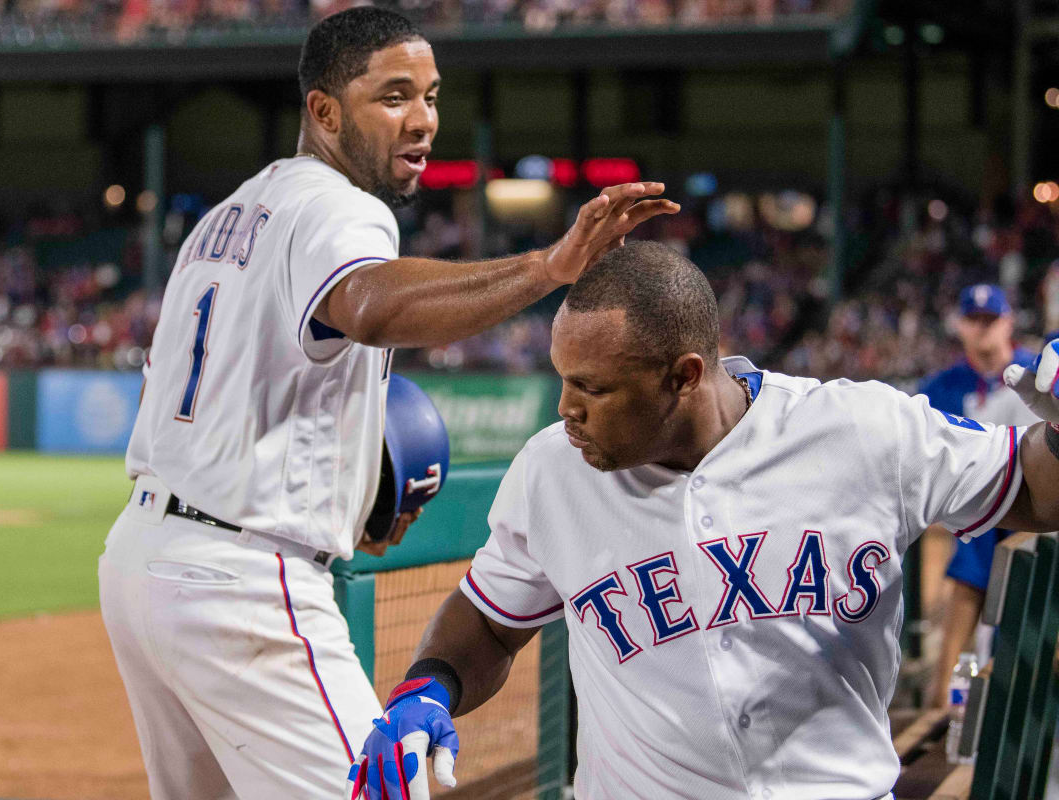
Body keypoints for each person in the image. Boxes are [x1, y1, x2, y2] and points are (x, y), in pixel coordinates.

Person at [96, 7, 679, 800]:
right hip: (243, 585)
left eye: (432, 96)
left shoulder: (227, 217)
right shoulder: (340, 206)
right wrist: (549, 266)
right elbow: (366, 304)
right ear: (325, 112)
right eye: (395, 96)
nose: (424, 120)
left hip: (143, 562)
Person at [348, 242, 1059, 800]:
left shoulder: (858, 428)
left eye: (592, 388)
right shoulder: (550, 472)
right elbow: (490, 619)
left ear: (685, 376)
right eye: (562, 378)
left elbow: (1032, 487)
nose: (566, 407)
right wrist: (429, 684)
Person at [920, 283, 1040, 708]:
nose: (984, 329)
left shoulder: (1038, 373)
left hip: (1035, 517)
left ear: (1009, 321)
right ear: (961, 326)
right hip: (976, 524)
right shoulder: (942, 386)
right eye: (975, 320)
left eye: (992, 320)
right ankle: (944, 697)